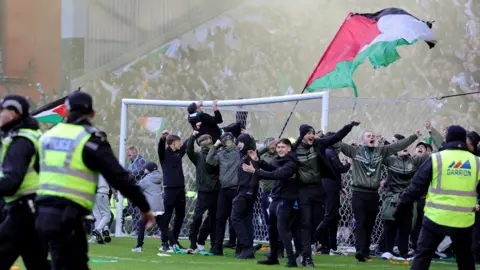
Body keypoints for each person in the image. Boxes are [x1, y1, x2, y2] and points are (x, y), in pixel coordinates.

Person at [35, 91, 155, 269]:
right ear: (92, 113)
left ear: (65, 111)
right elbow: (119, 177)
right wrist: (144, 206)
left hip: (40, 214)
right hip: (68, 216)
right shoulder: (90, 139)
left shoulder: (46, 137)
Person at [395, 125, 480, 270]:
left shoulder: (436, 158)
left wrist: (401, 208)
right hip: (463, 219)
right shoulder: (477, 162)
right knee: (465, 259)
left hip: (436, 218)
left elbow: (415, 187)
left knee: (423, 256)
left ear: (448, 139)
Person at [338, 129, 420, 262]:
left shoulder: (381, 152)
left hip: (373, 194)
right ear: (362, 140)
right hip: (359, 192)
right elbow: (339, 143)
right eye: (369, 136)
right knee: (360, 222)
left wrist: (414, 136)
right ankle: (359, 250)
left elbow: (397, 146)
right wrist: (350, 126)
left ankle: (365, 250)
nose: (372, 138)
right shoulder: (355, 151)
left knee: (370, 223)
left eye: (373, 136)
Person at [292, 120, 360, 267]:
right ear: (302, 135)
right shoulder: (294, 149)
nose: (311, 135)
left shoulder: (319, 144)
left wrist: (349, 126)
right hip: (303, 191)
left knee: (317, 222)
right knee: (306, 222)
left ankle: (304, 250)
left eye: (312, 132)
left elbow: (335, 137)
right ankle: (307, 257)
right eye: (308, 133)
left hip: (318, 188)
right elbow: (283, 162)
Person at [0, 94, 50, 270]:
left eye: (1, 111)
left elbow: (12, 181)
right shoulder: (31, 134)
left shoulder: (20, 141)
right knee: (38, 264)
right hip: (36, 207)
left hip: (24, 209)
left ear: (13, 114)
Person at [244, 138, 299, 267]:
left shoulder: (291, 163)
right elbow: (271, 168)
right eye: (278, 147)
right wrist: (258, 161)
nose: (280, 149)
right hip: (275, 199)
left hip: (285, 200)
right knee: (271, 229)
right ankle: (273, 257)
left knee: (282, 229)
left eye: (283, 147)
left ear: (289, 148)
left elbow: (277, 174)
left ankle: (292, 260)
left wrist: (255, 171)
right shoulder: (279, 160)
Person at [379, 135, 429, 260]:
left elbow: (431, 155)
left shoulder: (414, 161)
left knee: (406, 227)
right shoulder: (390, 160)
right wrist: (381, 142)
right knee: (390, 225)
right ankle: (387, 251)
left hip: (407, 198)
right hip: (391, 197)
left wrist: (430, 133)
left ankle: (404, 253)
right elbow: (379, 153)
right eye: (401, 146)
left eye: (406, 146)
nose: (404, 147)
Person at [132, 162, 179, 253]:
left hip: (150, 207)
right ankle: (174, 245)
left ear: (148, 170)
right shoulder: (159, 177)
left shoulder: (146, 179)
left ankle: (139, 246)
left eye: (146, 168)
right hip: (159, 206)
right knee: (164, 228)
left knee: (142, 226)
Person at [315, 132, 350, 255]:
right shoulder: (330, 152)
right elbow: (339, 169)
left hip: (325, 186)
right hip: (330, 187)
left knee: (331, 215)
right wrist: (348, 163)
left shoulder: (322, 152)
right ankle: (316, 236)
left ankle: (329, 244)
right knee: (330, 215)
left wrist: (341, 186)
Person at [207, 132, 240, 255]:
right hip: (224, 190)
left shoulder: (238, 152)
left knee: (236, 219)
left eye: (229, 139)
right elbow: (209, 160)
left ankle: (239, 246)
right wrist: (214, 146)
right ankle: (217, 246)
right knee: (220, 218)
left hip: (235, 190)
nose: (227, 142)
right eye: (225, 140)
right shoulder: (220, 154)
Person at [186, 131, 220, 253]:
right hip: (203, 192)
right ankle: (193, 243)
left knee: (214, 219)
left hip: (216, 191)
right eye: (205, 140)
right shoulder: (198, 156)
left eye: (209, 139)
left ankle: (212, 244)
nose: (208, 142)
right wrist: (192, 136)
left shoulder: (218, 154)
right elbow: (188, 150)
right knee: (197, 217)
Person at [158, 130, 188, 248]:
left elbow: (185, 146)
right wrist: (162, 138)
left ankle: (174, 241)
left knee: (180, 215)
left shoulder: (178, 153)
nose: (180, 144)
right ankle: (164, 242)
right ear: (173, 142)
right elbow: (160, 147)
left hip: (181, 189)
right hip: (169, 189)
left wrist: (193, 134)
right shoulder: (164, 154)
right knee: (167, 215)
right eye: (178, 142)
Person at [230, 133, 258, 259]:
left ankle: (246, 246)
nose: (238, 145)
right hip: (247, 193)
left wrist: (248, 191)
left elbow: (254, 175)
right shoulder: (245, 156)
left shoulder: (249, 156)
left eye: (240, 142)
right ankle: (246, 248)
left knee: (235, 218)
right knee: (246, 221)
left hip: (245, 193)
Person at [91, 176, 112, 244]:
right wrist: (115, 194)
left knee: (97, 216)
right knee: (107, 215)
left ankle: (94, 238)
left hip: (93, 193)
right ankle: (99, 230)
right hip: (103, 193)